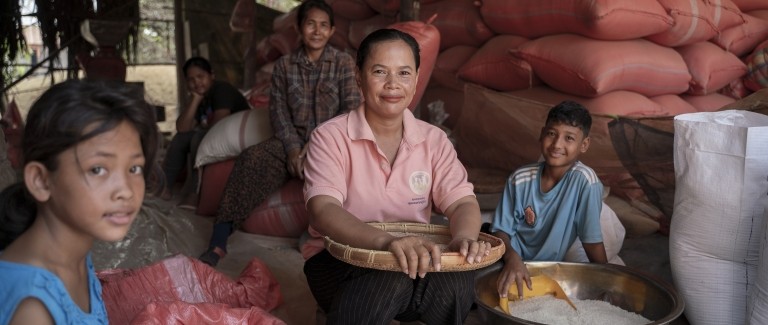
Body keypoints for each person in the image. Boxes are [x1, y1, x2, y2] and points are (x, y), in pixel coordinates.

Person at [301, 28, 491, 325]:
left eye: (404, 73)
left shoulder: (434, 140)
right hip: (340, 260)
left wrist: (464, 239)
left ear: (416, 80)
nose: (393, 84)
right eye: (379, 71)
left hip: (414, 261)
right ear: (359, 76)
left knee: (455, 282)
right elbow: (322, 209)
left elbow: (462, 202)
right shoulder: (330, 137)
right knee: (390, 283)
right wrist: (387, 243)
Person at [198, 0, 361, 266]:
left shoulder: (343, 63)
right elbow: (279, 113)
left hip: (332, 143)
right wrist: (294, 149)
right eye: (310, 24)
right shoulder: (284, 66)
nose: (317, 31)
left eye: (323, 26)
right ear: (299, 29)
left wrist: (316, 144)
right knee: (252, 159)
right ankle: (218, 241)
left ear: (332, 31)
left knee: (348, 175)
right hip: (290, 142)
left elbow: (350, 111)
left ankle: (315, 234)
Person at [0, 80, 160, 324]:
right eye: (97, 169)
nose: (126, 191)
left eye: (134, 168)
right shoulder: (32, 308)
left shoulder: (72, 254)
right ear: (41, 181)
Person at [490, 100, 608, 300]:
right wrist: (512, 258)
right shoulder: (520, 179)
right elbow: (501, 230)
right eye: (552, 134)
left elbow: (591, 240)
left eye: (569, 138)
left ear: (584, 144)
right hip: (509, 258)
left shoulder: (585, 182)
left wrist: (608, 281)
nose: (557, 144)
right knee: (483, 288)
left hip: (547, 266)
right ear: (542, 133)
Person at [159, 56, 249, 206]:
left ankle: (196, 193)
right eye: (191, 80)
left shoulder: (222, 90)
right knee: (181, 139)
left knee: (198, 138)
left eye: (201, 77)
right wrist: (194, 100)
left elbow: (218, 124)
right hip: (218, 135)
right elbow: (182, 128)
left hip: (238, 135)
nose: (196, 83)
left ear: (212, 75)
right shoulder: (201, 97)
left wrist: (199, 128)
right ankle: (165, 186)